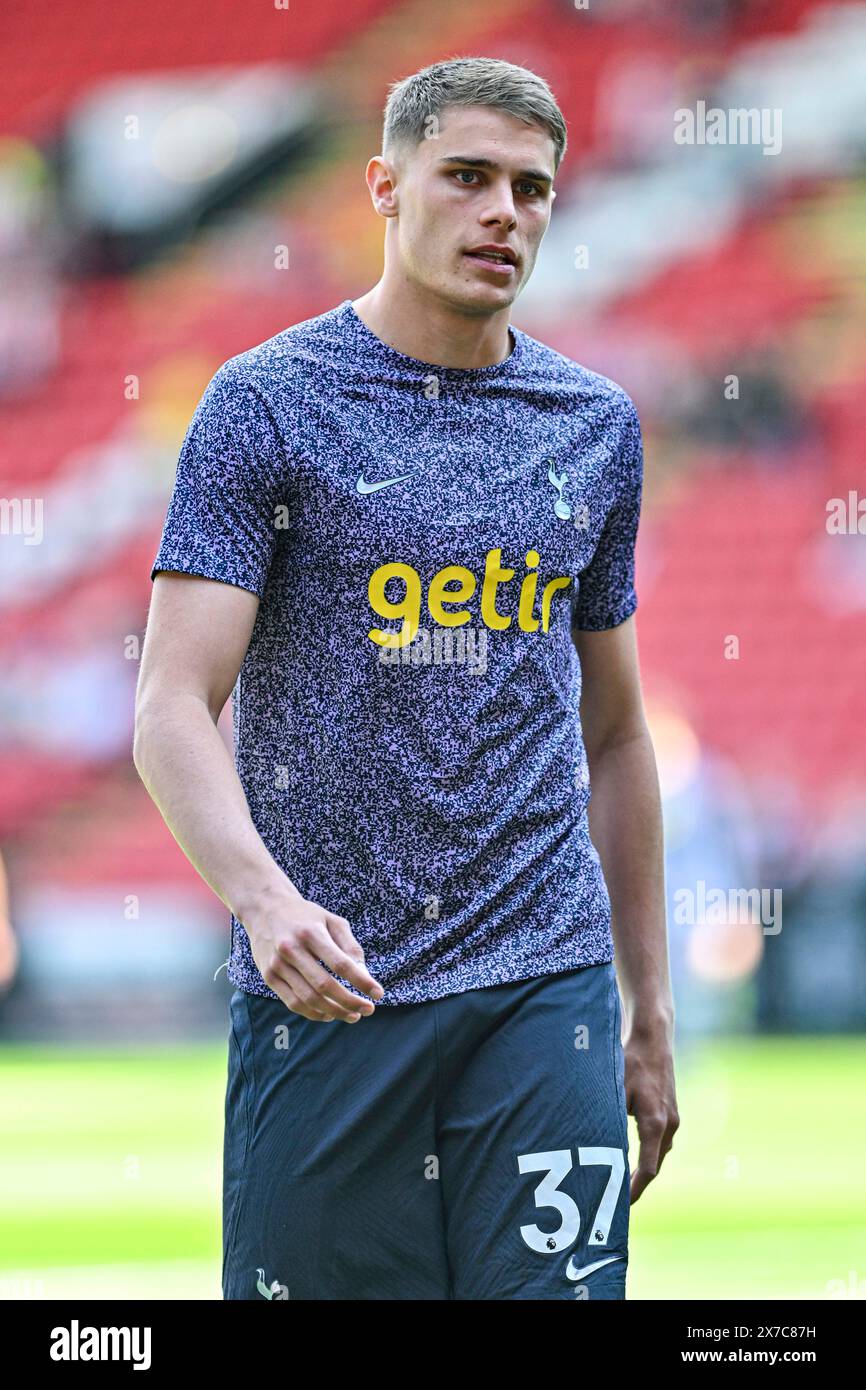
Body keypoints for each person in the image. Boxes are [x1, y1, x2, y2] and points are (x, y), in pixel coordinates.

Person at [134, 56, 678, 1301]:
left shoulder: (592, 423)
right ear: (386, 186)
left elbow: (618, 736)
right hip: (331, 994)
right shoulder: (264, 405)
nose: (506, 213)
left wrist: (646, 1006)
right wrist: (266, 906)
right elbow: (170, 704)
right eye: (469, 178)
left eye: (532, 190)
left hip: (545, 989)